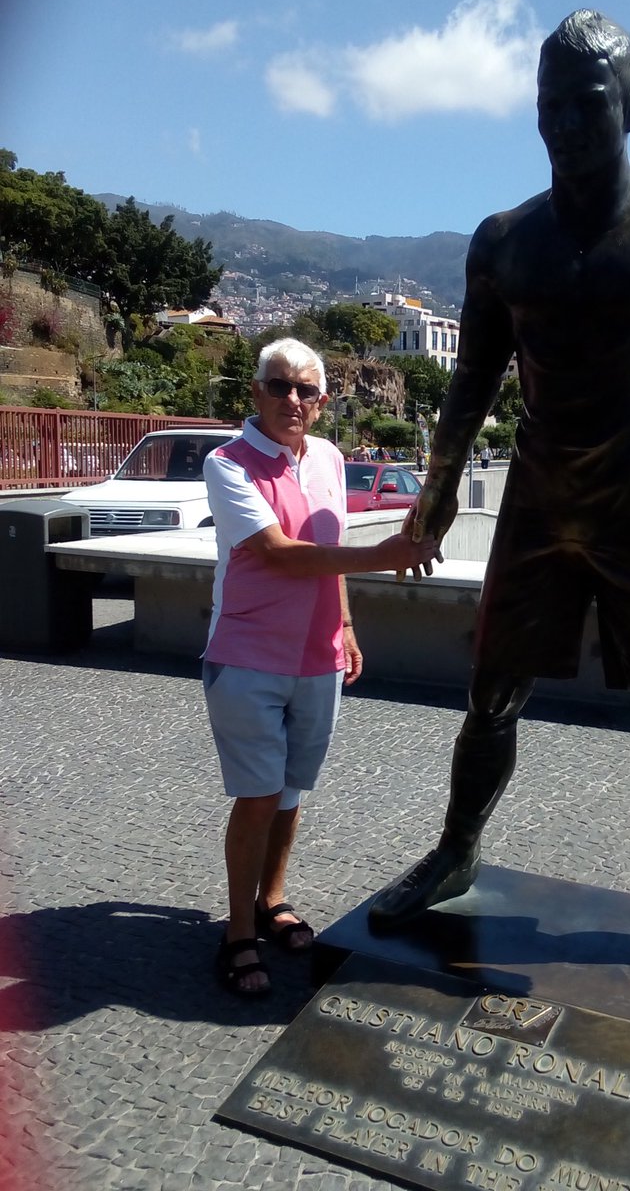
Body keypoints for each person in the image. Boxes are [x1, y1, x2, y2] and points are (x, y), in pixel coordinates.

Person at [368, 9, 630, 1012]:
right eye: (548, 103)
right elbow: (467, 388)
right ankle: (455, 853)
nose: (563, 121)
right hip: (537, 501)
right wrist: (431, 502)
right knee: (490, 698)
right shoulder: (503, 241)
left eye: (586, 102)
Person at [203, 338, 436, 997]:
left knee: (292, 790)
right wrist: (387, 556)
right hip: (247, 655)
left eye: (306, 391)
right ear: (256, 392)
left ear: (323, 401)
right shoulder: (229, 463)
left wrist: (349, 625)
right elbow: (280, 553)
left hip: (320, 655)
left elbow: (327, 550)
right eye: (279, 386)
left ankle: (272, 899)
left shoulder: (331, 459)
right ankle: (238, 932)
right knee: (256, 796)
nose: (292, 401)